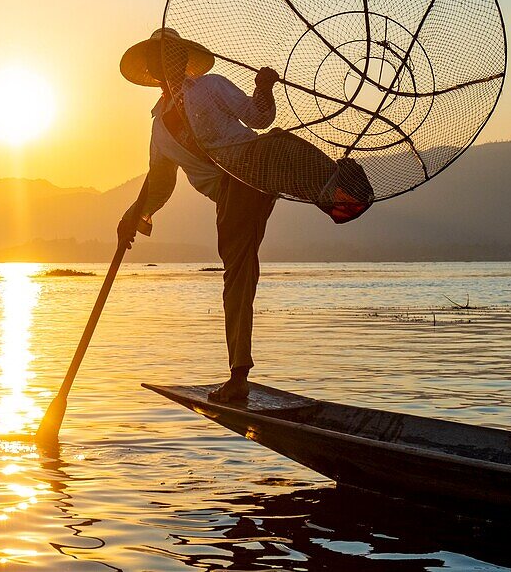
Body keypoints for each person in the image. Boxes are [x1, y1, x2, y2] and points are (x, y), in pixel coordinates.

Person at [117, 28, 374, 403]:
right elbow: (158, 185)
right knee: (239, 273)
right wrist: (131, 217)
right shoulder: (159, 127)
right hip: (229, 192)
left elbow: (259, 118)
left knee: (281, 143)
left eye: (173, 55)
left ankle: (341, 192)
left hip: (257, 164)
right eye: (160, 58)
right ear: (153, 68)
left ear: (183, 60)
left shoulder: (210, 87)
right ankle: (238, 375)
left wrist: (263, 86)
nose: (167, 63)